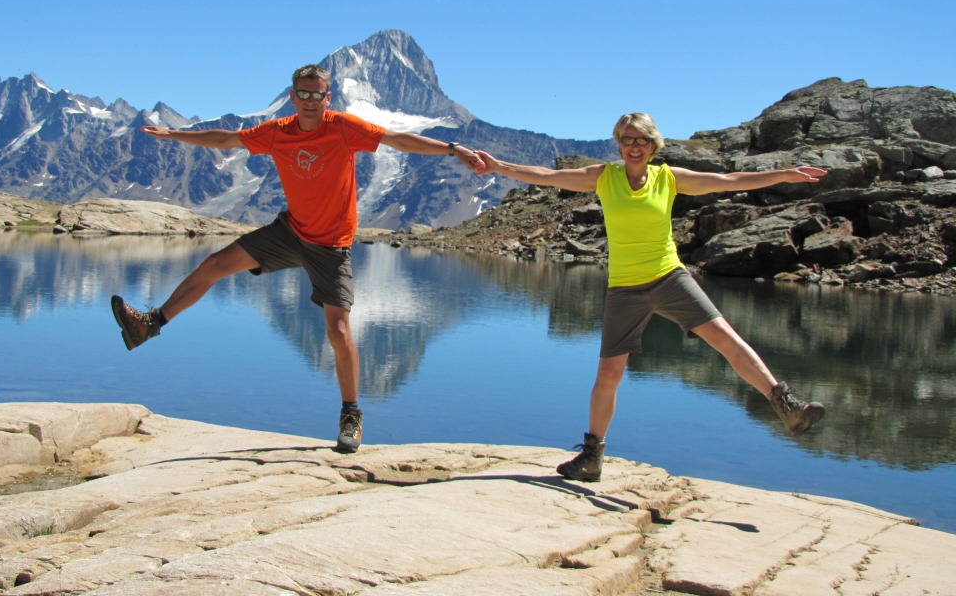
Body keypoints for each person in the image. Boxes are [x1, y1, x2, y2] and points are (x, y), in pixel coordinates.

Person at [110, 64, 485, 454]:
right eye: (302, 94)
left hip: (332, 246)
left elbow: (397, 141)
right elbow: (227, 140)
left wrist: (452, 148)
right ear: (292, 96)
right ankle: (149, 325)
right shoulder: (277, 132)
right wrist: (175, 134)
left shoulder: (343, 128)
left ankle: (351, 415)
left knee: (338, 332)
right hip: (290, 232)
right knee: (214, 265)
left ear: (328, 98)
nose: (309, 101)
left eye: (316, 94)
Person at [475, 112, 827, 482]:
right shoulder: (603, 177)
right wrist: (498, 165)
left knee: (725, 337)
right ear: (619, 144)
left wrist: (782, 175)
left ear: (653, 144)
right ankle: (592, 457)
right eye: (626, 140)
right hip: (625, 289)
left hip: (670, 277)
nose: (633, 147)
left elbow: (728, 180)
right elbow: (546, 176)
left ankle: (788, 407)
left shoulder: (668, 178)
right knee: (609, 374)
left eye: (641, 140)